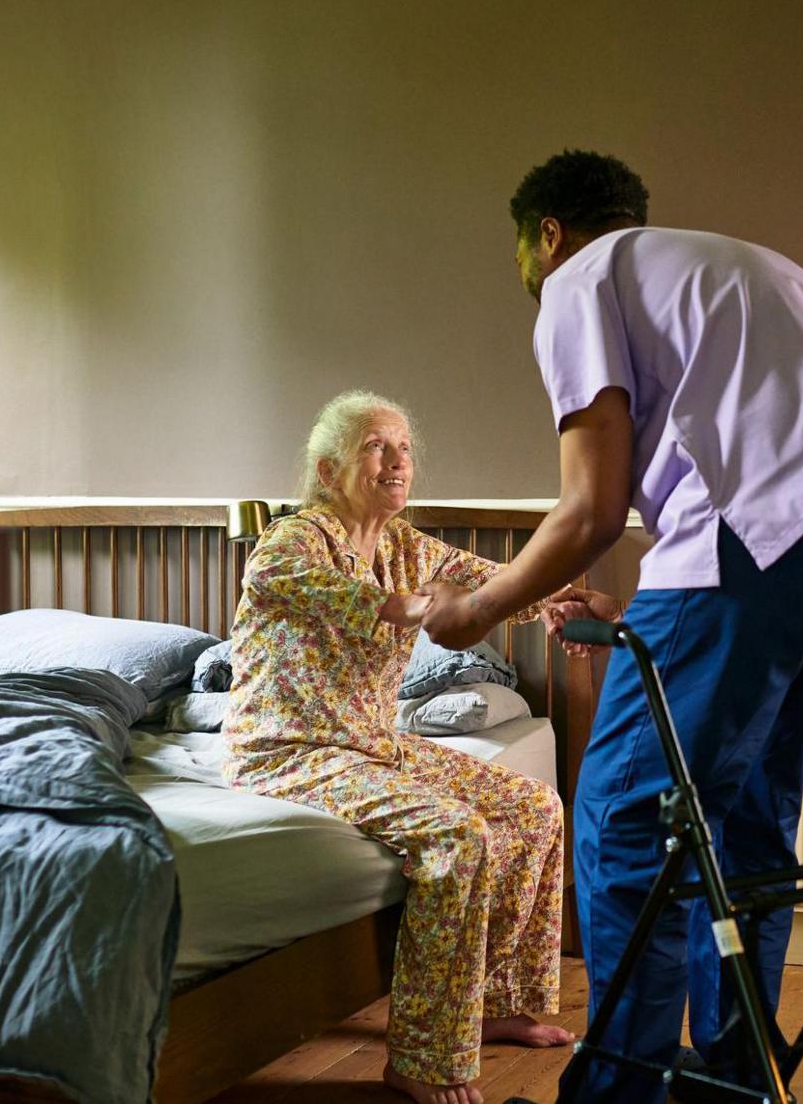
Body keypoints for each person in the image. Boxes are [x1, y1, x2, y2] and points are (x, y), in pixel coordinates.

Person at [419, 151, 803, 1102]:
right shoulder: (729, 264)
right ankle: (734, 1070)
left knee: (630, 817)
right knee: (739, 815)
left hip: (758, 541)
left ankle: (622, 1092)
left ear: (547, 234)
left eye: (522, 256)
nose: (527, 281)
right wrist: (650, 615)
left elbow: (590, 512)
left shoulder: (581, 277)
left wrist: (473, 608)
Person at [223, 390, 576, 1104]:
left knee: (534, 806)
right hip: (288, 748)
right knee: (458, 836)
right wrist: (414, 605)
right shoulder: (291, 540)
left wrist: (565, 598)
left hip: (374, 742)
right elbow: (297, 585)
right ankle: (421, 1054)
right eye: (376, 446)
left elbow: (494, 582)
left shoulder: (408, 545)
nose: (397, 459)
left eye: (404, 446)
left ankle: (493, 1001)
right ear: (328, 471)